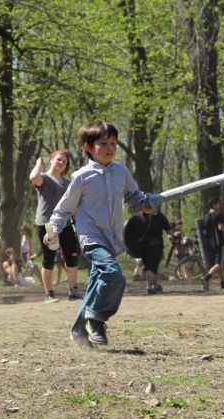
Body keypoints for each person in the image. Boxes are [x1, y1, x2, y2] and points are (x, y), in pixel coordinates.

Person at [45, 120, 162, 348]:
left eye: (113, 143)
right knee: (113, 274)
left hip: (112, 238)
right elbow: (64, 208)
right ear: (88, 147)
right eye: (103, 143)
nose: (110, 148)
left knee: (97, 284)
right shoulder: (82, 176)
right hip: (90, 238)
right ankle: (97, 318)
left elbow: (134, 198)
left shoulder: (122, 172)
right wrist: (52, 232)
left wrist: (146, 204)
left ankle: (79, 331)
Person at [30, 149, 81, 303]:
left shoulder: (67, 183)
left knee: (72, 256)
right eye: (59, 159)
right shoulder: (44, 178)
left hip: (65, 223)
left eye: (64, 161)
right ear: (51, 160)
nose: (61, 163)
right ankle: (49, 294)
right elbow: (33, 177)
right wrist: (39, 163)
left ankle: (73, 290)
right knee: (49, 258)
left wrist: (77, 223)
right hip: (47, 224)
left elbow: (72, 205)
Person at [131, 209, 172, 295]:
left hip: (142, 246)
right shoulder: (157, 215)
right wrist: (175, 235)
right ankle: (149, 286)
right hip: (155, 245)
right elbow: (168, 230)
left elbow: (131, 233)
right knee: (151, 268)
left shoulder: (138, 216)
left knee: (151, 267)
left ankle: (155, 284)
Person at [200, 198, 224, 290]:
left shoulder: (206, 217)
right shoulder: (218, 214)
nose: (220, 206)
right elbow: (221, 228)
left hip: (210, 244)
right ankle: (206, 277)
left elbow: (204, 232)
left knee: (220, 263)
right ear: (214, 204)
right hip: (219, 242)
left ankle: (222, 283)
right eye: (218, 204)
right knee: (220, 264)